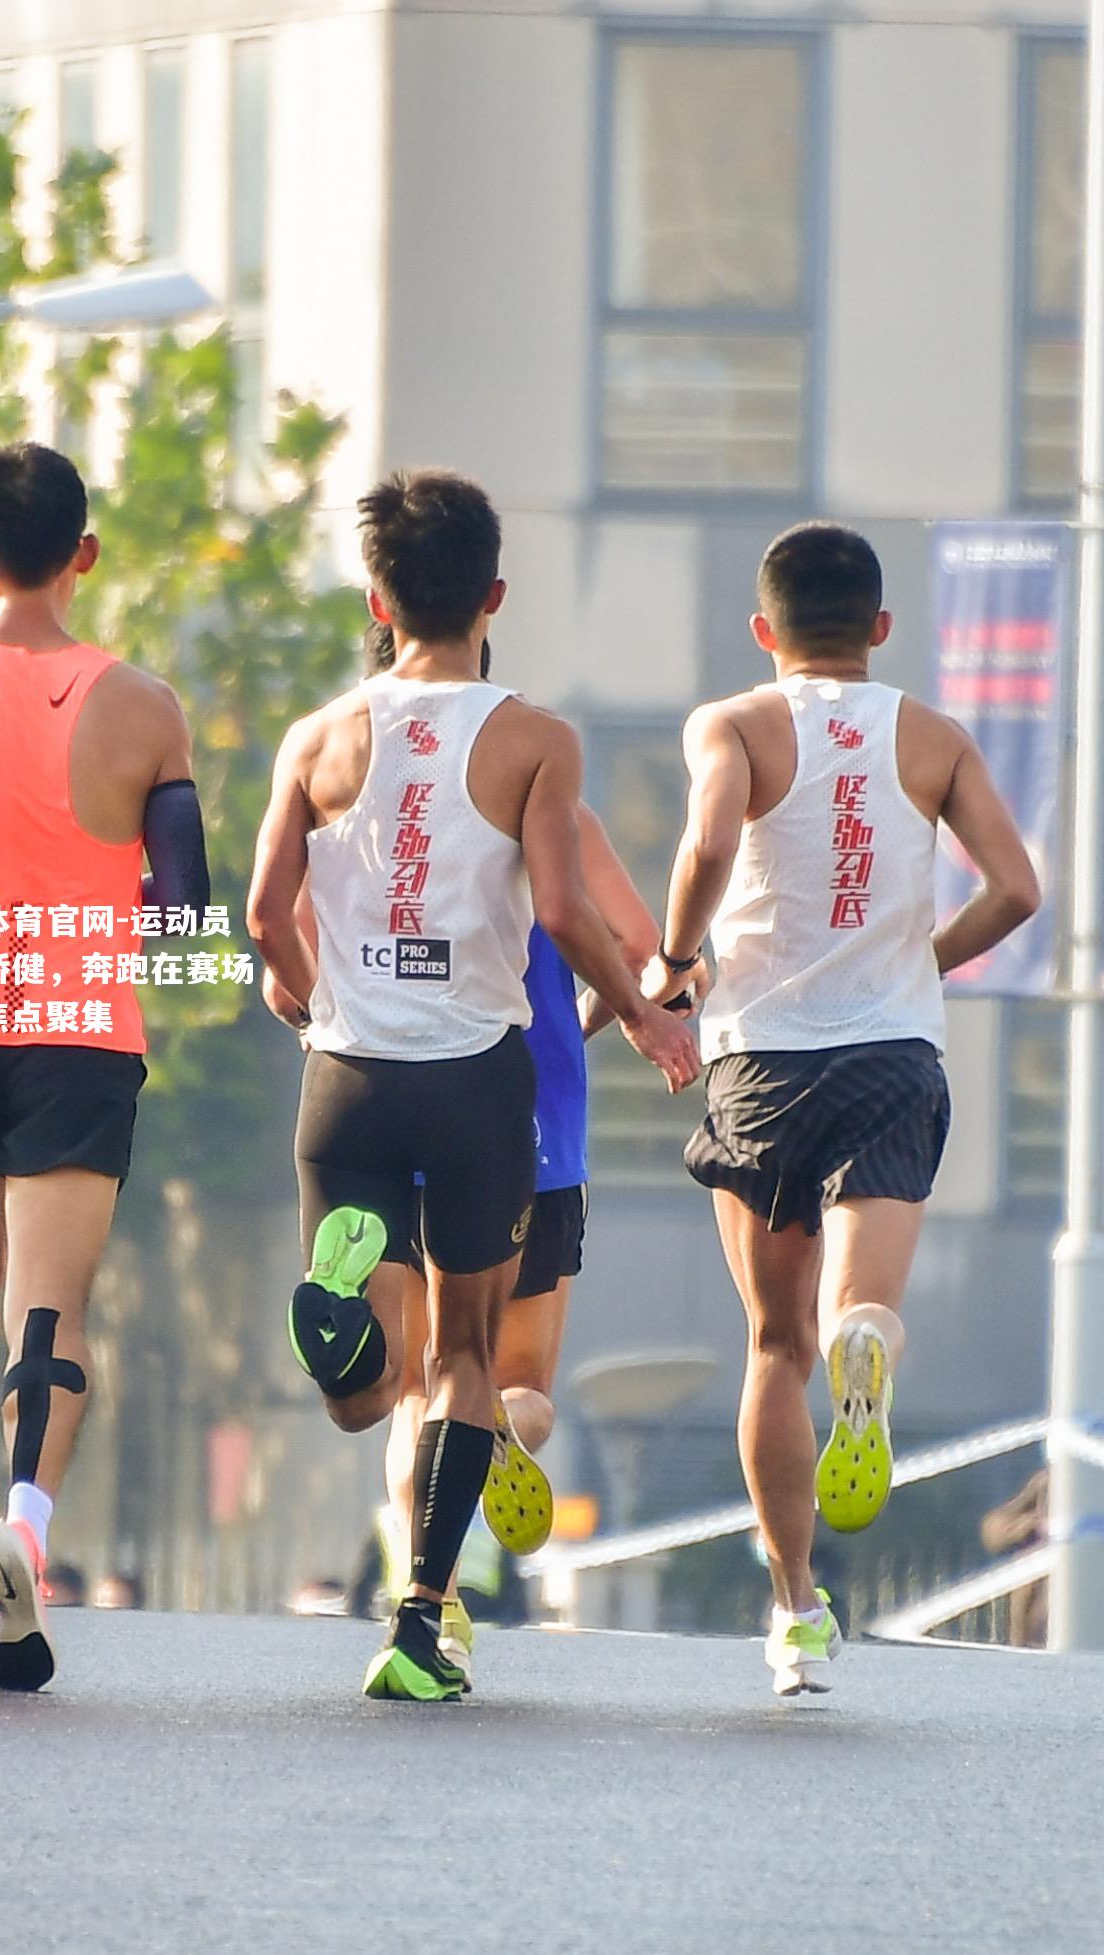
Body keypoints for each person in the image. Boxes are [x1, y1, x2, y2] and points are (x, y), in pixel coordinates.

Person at [248, 469, 701, 1702]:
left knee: (367, 1395)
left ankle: (336, 1282)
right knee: (463, 1363)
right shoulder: (537, 739)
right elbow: (562, 906)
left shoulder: (318, 738)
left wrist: (301, 993)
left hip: (346, 1075)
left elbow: (260, 914)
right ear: (493, 594)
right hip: (476, 1081)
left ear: (377, 597)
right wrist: (653, 1015)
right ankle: (416, 1625)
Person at [652, 521, 1040, 1696]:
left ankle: (796, 1607)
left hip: (762, 1059)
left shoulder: (733, 723)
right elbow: (1018, 888)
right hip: (891, 1055)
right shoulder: (931, 736)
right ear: (878, 629)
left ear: (765, 630)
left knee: (776, 1344)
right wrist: (925, 954)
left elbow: (712, 836)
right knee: (855, 1302)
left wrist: (675, 957)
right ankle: (868, 1335)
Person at [0, 441, 210, 1692]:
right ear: (85, 555)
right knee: (57, 1308)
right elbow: (183, 897)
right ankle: (25, 1518)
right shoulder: (147, 708)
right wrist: (156, 991)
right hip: (83, 1030)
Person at [351, 626, 660, 1686]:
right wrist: (589, 1016)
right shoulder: (546, 798)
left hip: (393, 1095)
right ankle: (507, 1444)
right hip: (535, 1115)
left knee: (413, 1390)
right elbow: (647, 946)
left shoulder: (355, 787)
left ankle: (422, 1590)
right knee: (505, 1377)